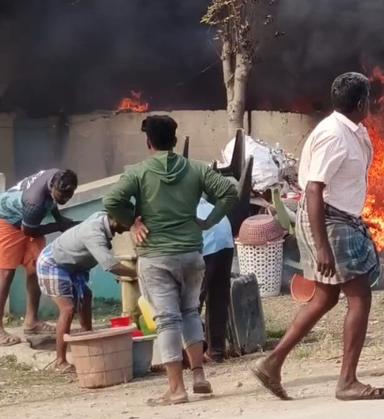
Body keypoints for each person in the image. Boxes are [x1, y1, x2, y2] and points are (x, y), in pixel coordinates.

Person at [251, 72, 384, 401]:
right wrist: (323, 248)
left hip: (339, 219)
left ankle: (272, 363)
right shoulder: (334, 136)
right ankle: (347, 382)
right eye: (369, 99)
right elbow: (314, 190)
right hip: (328, 222)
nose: (370, 104)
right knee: (360, 298)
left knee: (325, 297)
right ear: (360, 103)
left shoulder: (352, 131)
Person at [103, 115, 238, 406]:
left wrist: (131, 222)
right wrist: (208, 220)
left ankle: (176, 389)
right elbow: (230, 191)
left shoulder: (138, 173)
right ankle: (199, 377)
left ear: (148, 142)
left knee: (167, 321)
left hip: (156, 256)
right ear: (175, 140)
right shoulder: (197, 169)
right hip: (191, 253)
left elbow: (111, 200)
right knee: (190, 312)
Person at [35, 211, 137, 371]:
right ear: (116, 219)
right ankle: (60, 361)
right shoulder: (94, 233)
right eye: (129, 222)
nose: (131, 226)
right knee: (67, 309)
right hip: (53, 262)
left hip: (73, 265)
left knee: (86, 296)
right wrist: (139, 273)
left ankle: (88, 340)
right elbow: (111, 265)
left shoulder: (102, 217)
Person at [0, 168, 78, 346]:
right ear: (51, 187)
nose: (65, 199)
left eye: (69, 195)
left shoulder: (59, 176)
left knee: (36, 266)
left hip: (27, 218)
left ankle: (32, 321)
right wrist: (59, 226)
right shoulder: (35, 201)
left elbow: (53, 202)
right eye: (62, 195)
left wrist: (60, 219)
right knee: (6, 273)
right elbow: (30, 231)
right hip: (7, 219)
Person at [197, 198, 234, 363]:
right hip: (223, 231)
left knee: (192, 302)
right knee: (219, 297)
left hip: (204, 237)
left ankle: (190, 355)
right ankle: (216, 351)